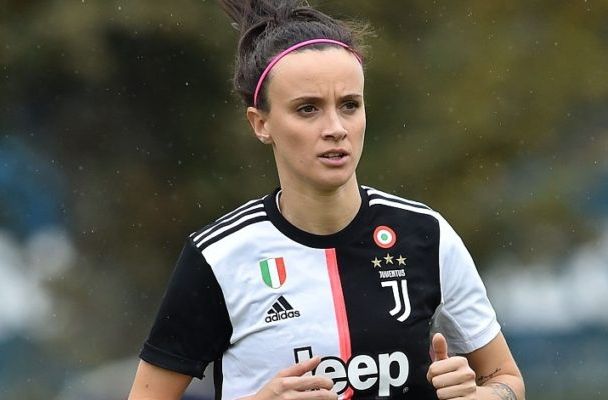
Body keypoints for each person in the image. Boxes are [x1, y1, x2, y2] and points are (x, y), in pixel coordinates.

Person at [128, 1, 525, 399]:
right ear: (260, 123)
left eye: (349, 105)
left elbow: (507, 380)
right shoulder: (219, 257)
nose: (336, 128)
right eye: (308, 109)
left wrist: (480, 396)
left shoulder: (426, 235)